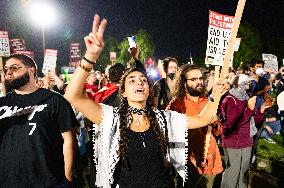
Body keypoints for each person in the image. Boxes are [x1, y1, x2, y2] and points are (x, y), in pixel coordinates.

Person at [64, 14, 229, 188]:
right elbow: (72, 95)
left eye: (143, 80)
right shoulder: (112, 118)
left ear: (149, 89)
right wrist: (90, 56)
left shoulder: (164, 119)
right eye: (132, 80)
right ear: (124, 93)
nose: (139, 82)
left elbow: (203, 119)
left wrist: (215, 94)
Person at [0, 54, 77, 187]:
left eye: (14, 68)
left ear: (31, 70)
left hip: (49, 180)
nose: (9, 72)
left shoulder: (55, 100)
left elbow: (69, 139)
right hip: (8, 180)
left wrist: (67, 177)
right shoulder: (1, 103)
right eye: (6, 69)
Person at [169, 65, 223, 188]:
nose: (199, 82)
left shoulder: (209, 103)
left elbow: (218, 132)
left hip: (210, 160)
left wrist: (215, 124)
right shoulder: (177, 104)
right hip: (188, 164)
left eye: (200, 78)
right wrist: (190, 159)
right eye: (193, 79)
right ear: (183, 83)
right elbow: (171, 138)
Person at [219, 74, 273, 188]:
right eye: (246, 83)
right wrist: (249, 109)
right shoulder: (229, 100)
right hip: (233, 141)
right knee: (233, 170)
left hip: (246, 140)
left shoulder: (246, 98)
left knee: (243, 171)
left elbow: (254, 121)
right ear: (237, 84)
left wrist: (262, 108)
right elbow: (232, 124)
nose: (248, 86)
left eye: (249, 83)